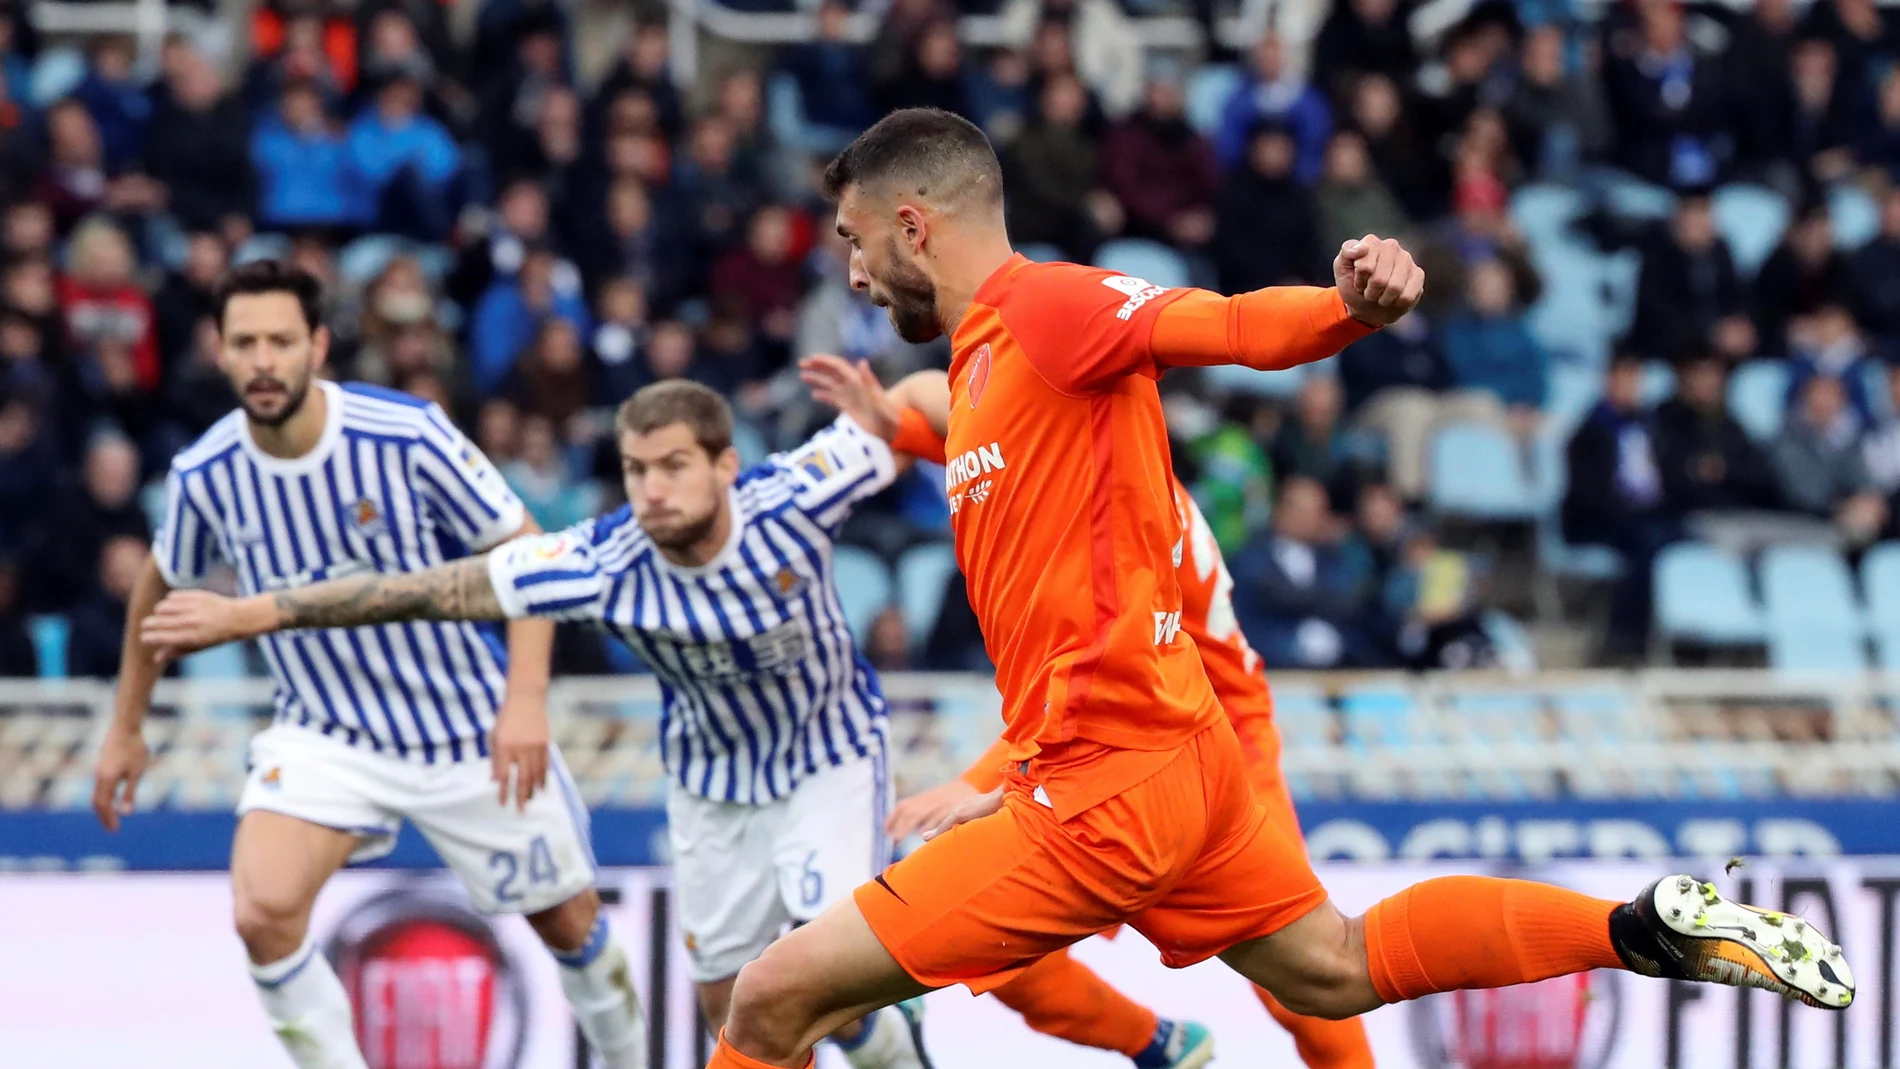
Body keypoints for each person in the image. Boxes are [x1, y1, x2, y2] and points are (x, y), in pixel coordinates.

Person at [153, 111, 1857, 1069]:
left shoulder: (1041, 307)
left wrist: (1359, 305)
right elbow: (962, 428)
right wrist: (888, 411)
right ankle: (1654, 922)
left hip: (1108, 773)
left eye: (846, 240)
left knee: (767, 999)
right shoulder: (976, 367)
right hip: (1172, 762)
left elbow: (1220, 324)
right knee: (1331, 969)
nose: (839, 262)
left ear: (912, 222)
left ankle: (1157, 1040)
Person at [137, 375, 937, 1069]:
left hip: (829, 757)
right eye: (635, 469)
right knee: (730, 1012)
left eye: (674, 466)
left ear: (726, 466)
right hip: (710, 782)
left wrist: (995, 430)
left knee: (821, 971)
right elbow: (426, 589)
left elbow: (918, 396)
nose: (653, 488)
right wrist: (255, 612)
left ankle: (898, 1044)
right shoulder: (600, 562)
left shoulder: (797, 495)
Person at [90, 260, 648, 1069]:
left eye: (280, 339)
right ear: (219, 353)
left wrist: (525, 701)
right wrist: (126, 725)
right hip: (326, 732)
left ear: (316, 344)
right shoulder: (206, 472)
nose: (262, 359)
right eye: (244, 342)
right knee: (262, 911)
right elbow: (159, 585)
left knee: (570, 925)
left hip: (466, 725)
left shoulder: (406, 432)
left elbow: (527, 550)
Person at [804, 357, 1372, 1069]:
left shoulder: (1118, 511)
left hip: (1214, 748)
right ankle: (1157, 1043)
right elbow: (940, 407)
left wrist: (984, 781)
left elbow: (1091, 677)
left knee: (1304, 977)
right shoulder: (1066, 462)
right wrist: (883, 416)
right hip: (1113, 745)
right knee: (1001, 952)